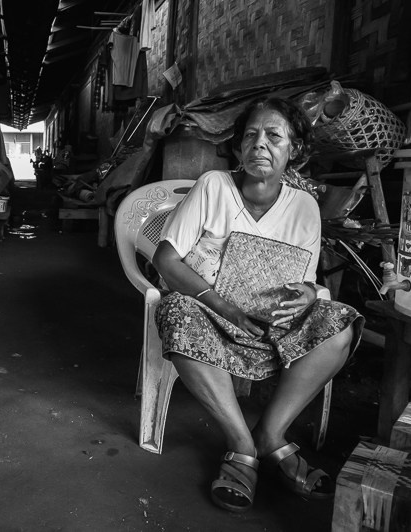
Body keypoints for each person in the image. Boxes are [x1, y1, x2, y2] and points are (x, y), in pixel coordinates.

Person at [151, 96, 363, 513]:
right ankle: (242, 444)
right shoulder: (214, 186)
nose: (259, 144)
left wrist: (308, 293)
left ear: (294, 151)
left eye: (273, 136)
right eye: (250, 135)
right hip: (211, 316)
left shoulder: (304, 207)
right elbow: (165, 259)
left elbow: (306, 281)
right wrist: (225, 307)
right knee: (174, 312)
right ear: (238, 148)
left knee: (340, 322)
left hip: (274, 326)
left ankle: (271, 434)